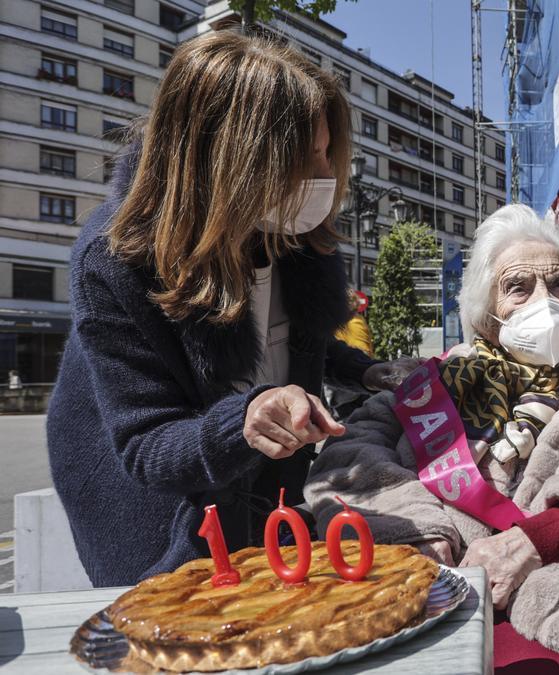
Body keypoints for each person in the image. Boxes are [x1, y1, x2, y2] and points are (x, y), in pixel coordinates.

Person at [46, 31, 407, 587]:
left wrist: (361, 369)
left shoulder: (290, 235)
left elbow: (283, 338)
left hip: (268, 500)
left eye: (325, 151)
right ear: (233, 163)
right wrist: (244, 420)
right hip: (162, 525)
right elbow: (147, 444)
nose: (325, 174)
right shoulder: (114, 261)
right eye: (305, 157)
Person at [305, 204, 559, 674]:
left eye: (558, 283)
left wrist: (545, 535)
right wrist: (417, 531)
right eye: (518, 287)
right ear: (488, 316)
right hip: (433, 591)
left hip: (558, 595)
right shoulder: (441, 376)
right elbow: (346, 457)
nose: (544, 300)